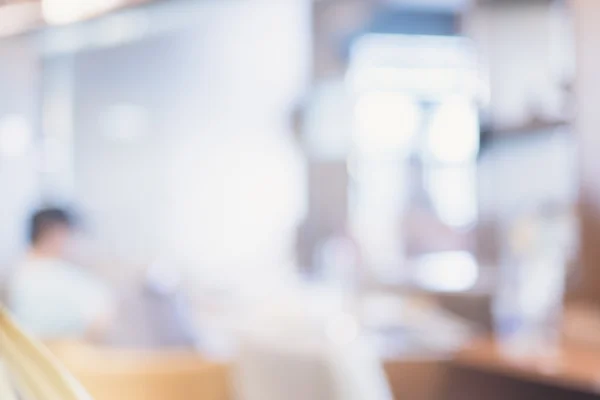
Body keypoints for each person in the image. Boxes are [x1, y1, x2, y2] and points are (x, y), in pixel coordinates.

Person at [7, 207, 114, 341]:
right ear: (57, 234)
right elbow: (100, 317)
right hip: (66, 351)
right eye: (71, 235)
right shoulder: (52, 276)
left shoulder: (19, 272)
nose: (73, 243)